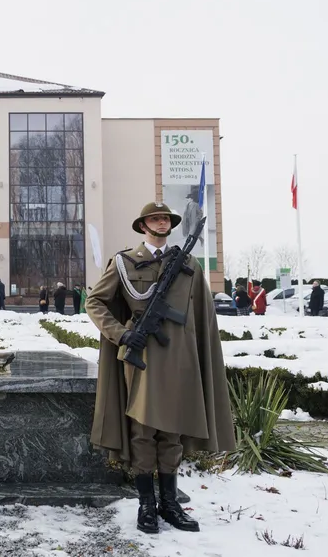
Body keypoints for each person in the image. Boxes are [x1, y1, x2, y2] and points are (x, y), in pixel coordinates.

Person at [86, 202, 234, 535]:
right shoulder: (123, 263)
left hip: (180, 360)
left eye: (165, 218)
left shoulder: (189, 265)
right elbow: (94, 302)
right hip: (143, 358)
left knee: (173, 433)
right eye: (155, 218)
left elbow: (201, 317)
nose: (161, 222)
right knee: (142, 432)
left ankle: (170, 504)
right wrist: (122, 334)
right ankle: (146, 506)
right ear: (143, 226)